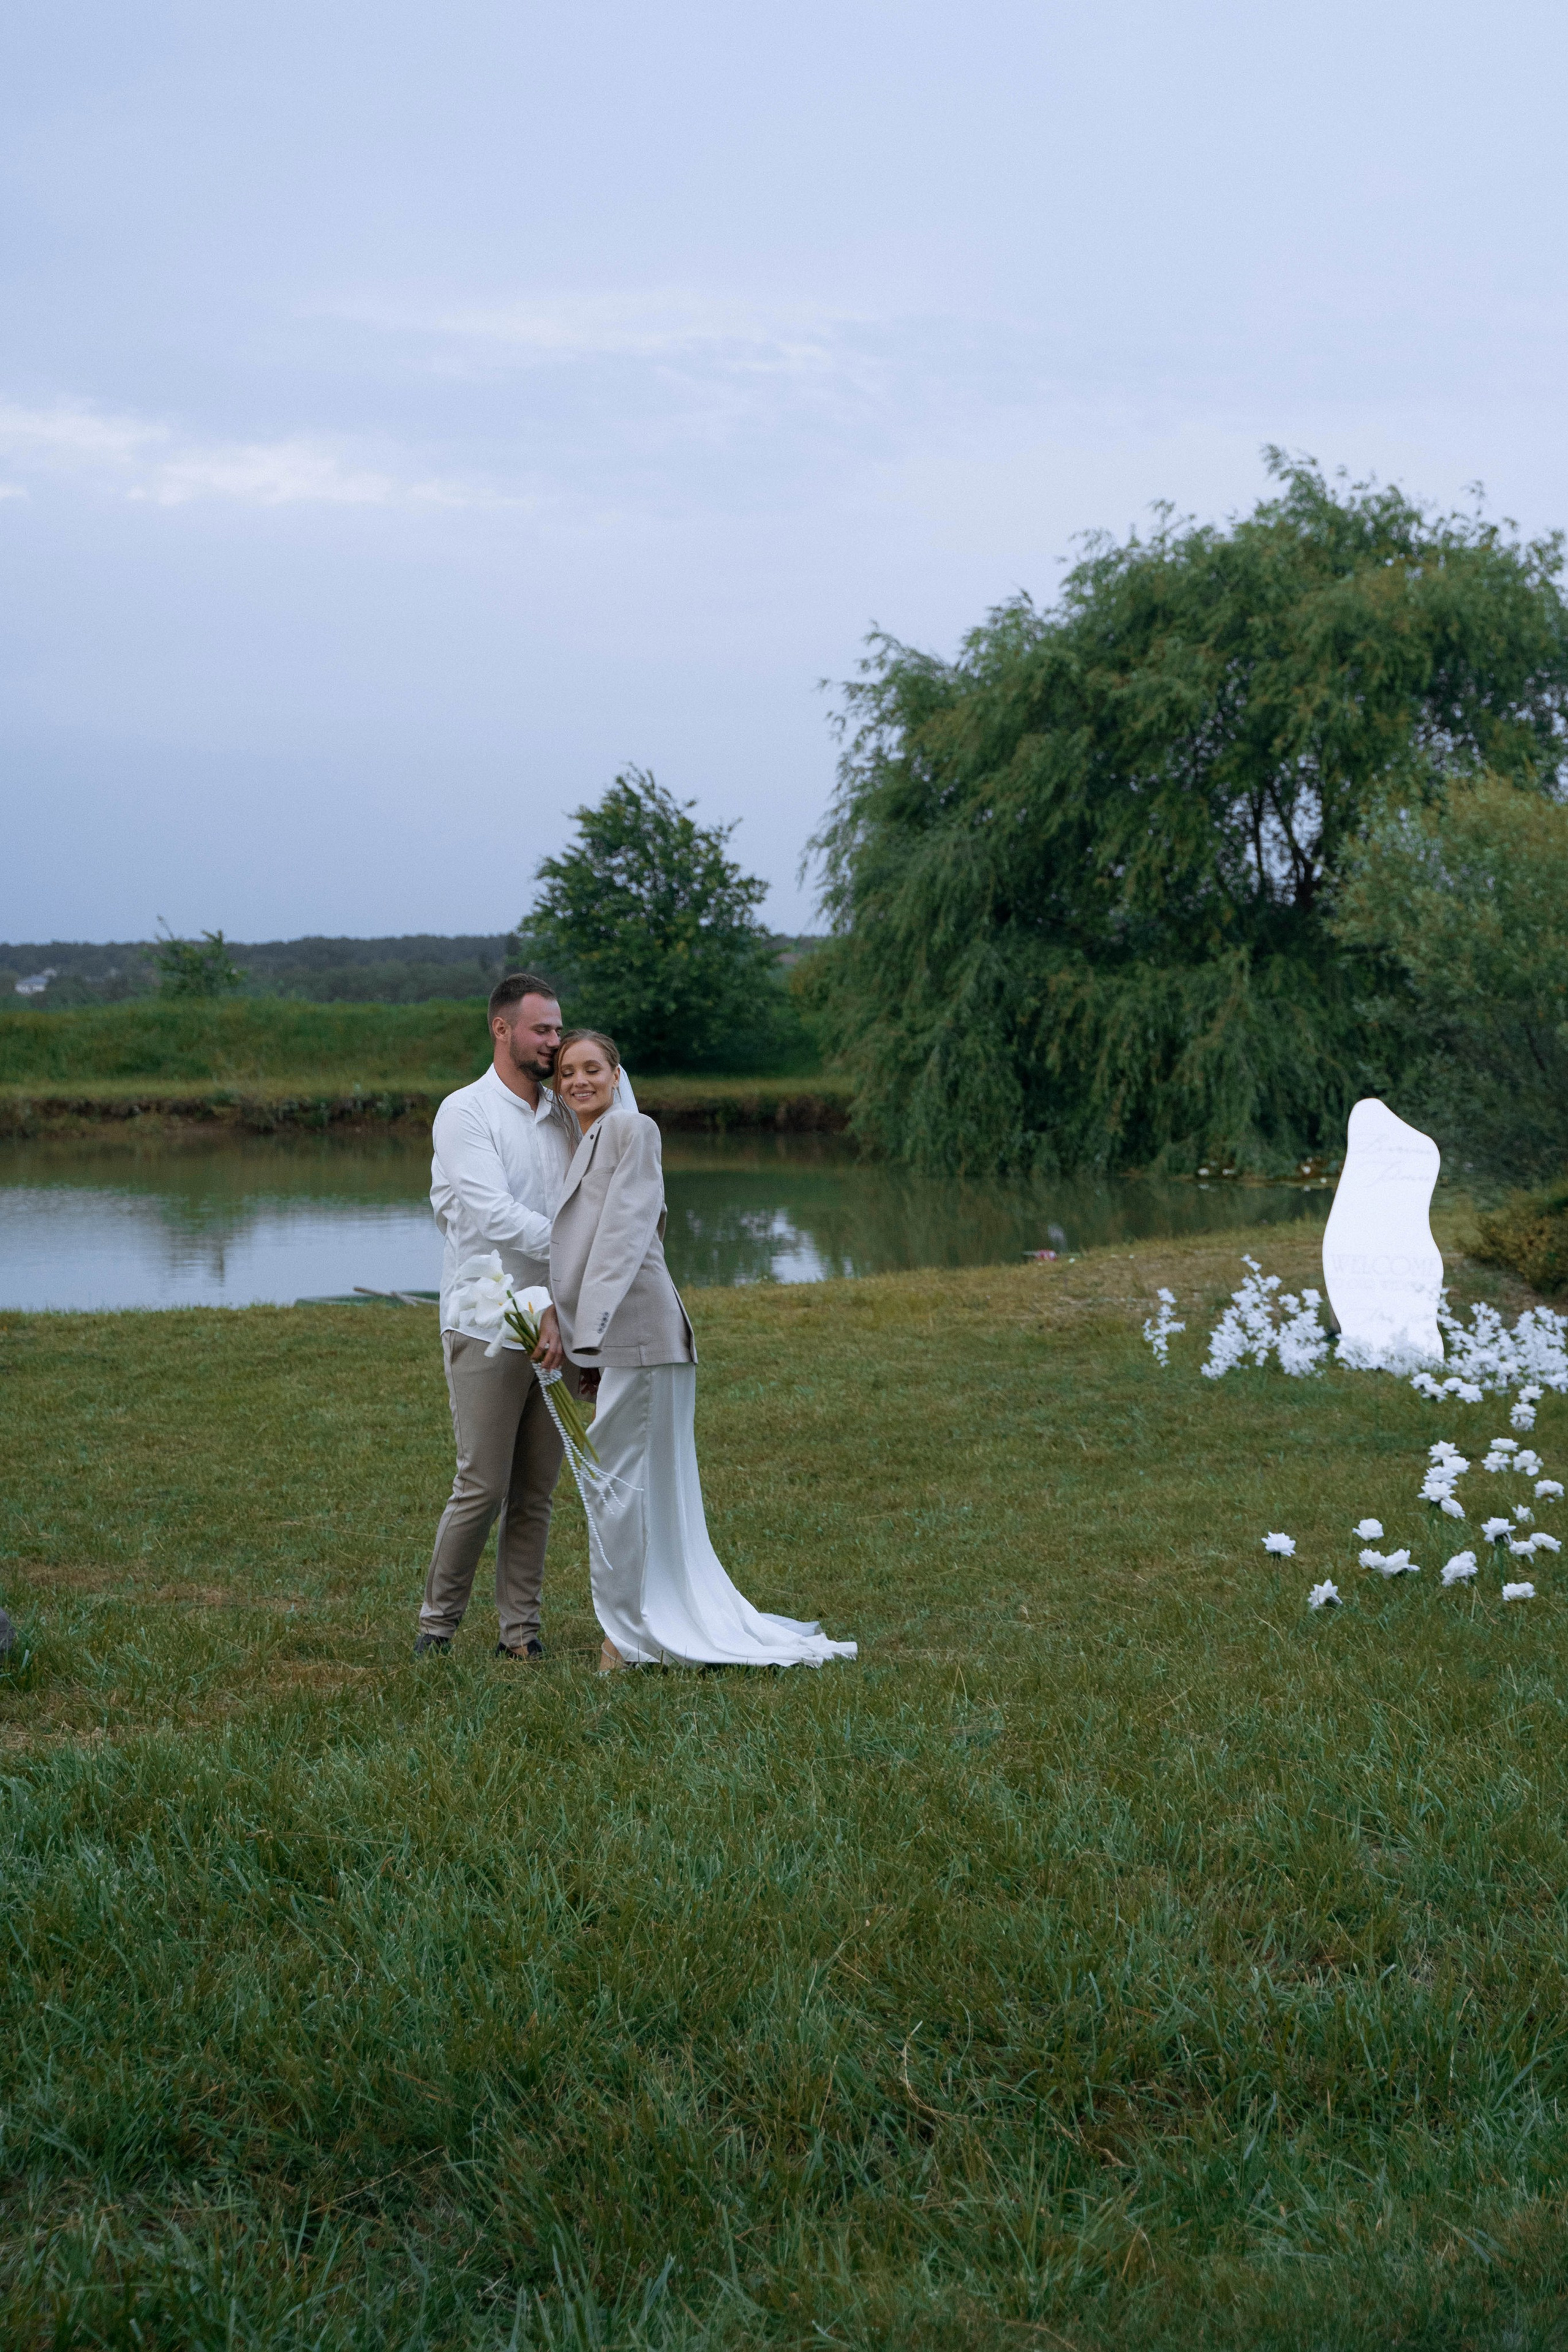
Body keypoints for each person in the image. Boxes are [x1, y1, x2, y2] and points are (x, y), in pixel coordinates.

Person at [548, 1027, 857, 1672]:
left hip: (635, 1331)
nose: (578, 1080)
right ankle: (648, 1620)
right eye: (566, 1072)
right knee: (634, 1484)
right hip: (624, 1334)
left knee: (618, 1486)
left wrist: (586, 1341)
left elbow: (623, 1238)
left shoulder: (633, 1130)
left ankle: (626, 1640)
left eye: (591, 1069)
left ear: (615, 1074)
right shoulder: (591, 1139)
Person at [415, 971, 637, 1661]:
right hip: (489, 1321)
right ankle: (436, 1627)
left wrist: (575, 1302)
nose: (554, 1041)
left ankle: (521, 1637)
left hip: (562, 1325)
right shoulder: (465, 1113)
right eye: (542, 1030)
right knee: (482, 1484)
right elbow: (491, 1217)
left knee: (537, 1490)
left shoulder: (567, 1112)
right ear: (501, 1029)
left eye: (558, 1028)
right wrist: (584, 1252)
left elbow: (613, 1187)